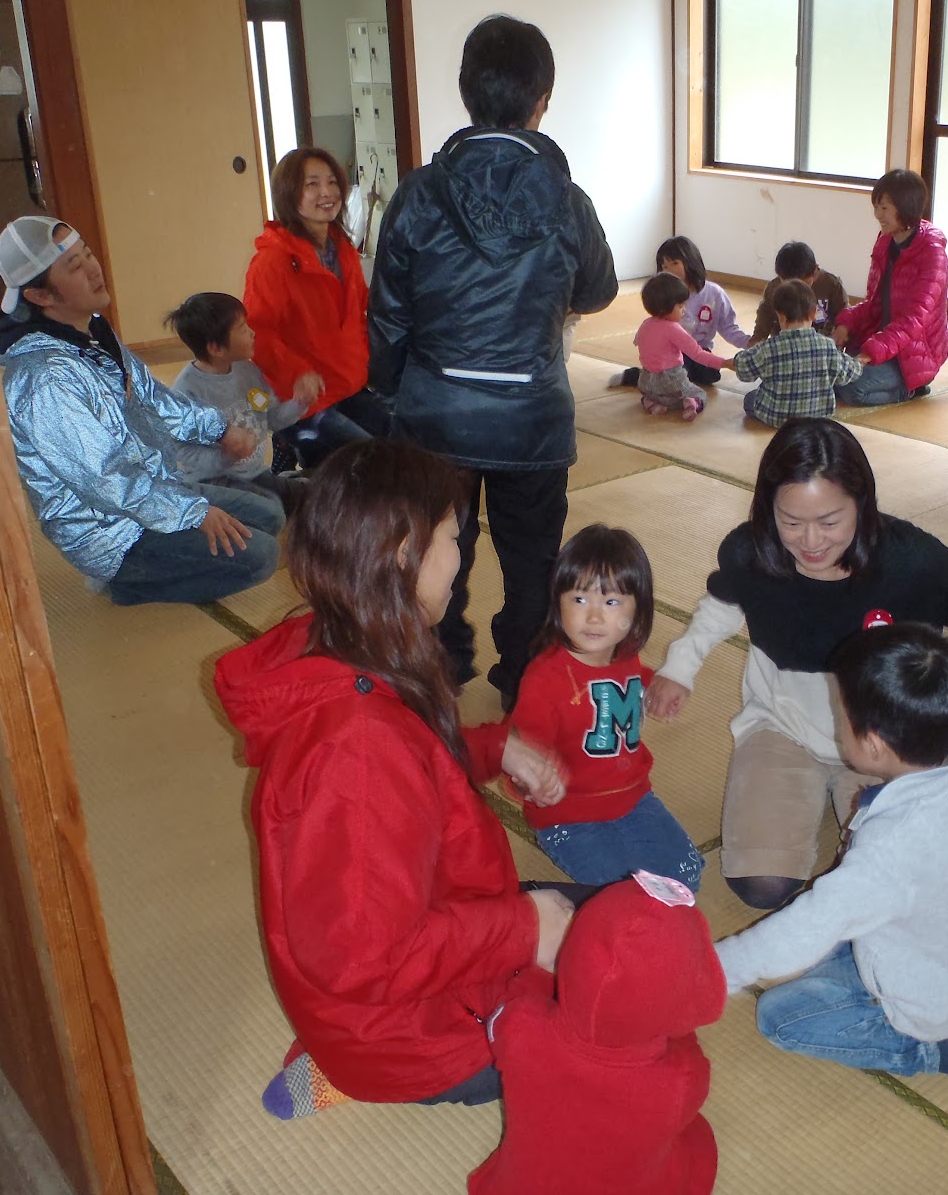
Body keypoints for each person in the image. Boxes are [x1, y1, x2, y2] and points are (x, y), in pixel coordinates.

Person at [213, 439, 576, 1117]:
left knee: (609, 913)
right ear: (406, 553)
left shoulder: (347, 644)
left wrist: (494, 748)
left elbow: (415, 771)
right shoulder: (356, 749)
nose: (461, 555)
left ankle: (344, 1057)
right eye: (453, 537)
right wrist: (525, 928)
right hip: (415, 1031)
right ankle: (352, 1071)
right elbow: (364, 956)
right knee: (626, 977)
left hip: (409, 950)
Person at [646, 419, 948, 910]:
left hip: (885, 744)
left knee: (899, 887)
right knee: (761, 886)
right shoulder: (750, 552)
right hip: (784, 727)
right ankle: (814, 796)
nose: (811, 541)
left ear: (862, 504)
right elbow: (721, 606)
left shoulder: (915, 563)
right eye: (790, 521)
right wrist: (680, 668)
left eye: (830, 521)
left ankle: (847, 802)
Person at [368, 15, 618, 712]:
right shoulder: (567, 199)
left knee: (434, 551)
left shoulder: (419, 192)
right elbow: (599, 290)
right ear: (543, 99)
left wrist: (390, 400)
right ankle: (525, 680)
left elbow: (388, 314)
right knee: (534, 557)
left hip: (435, 414)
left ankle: (438, 669)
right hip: (532, 418)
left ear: (465, 92)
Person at [715, 624, 948, 1092]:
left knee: (779, 1018)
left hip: (912, 997)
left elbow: (804, 928)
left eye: (840, 717)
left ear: (873, 745)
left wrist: (713, 969)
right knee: (833, 946)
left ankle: (931, 1049)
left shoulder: (892, 850)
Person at [0, 216, 281, 606]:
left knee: (270, 517)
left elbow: (155, 400)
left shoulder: (92, 333)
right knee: (261, 557)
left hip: (156, 487)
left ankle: (173, 537)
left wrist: (219, 428)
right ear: (41, 296)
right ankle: (126, 584)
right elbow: (106, 478)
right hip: (111, 531)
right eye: (75, 266)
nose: (93, 268)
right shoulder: (44, 379)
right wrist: (193, 513)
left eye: (87, 253)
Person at [468, 873, 724, 1195]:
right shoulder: (682, 1079)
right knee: (694, 1141)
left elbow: (498, 1021)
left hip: (521, 1186)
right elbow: (684, 1048)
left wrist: (541, 978)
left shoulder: (521, 1024)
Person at [508, 525, 705, 891]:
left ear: (639, 608)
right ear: (557, 601)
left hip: (633, 797)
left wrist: (655, 687)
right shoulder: (545, 680)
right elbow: (520, 748)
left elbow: (631, 681)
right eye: (580, 600)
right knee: (623, 893)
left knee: (686, 876)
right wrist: (528, 781)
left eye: (612, 602)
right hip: (569, 816)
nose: (595, 617)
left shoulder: (625, 656)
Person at [245, 147, 389, 470]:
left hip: (346, 384)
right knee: (367, 464)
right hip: (301, 400)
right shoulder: (272, 261)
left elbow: (360, 312)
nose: (327, 192)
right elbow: (259, 334)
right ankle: (294, 454)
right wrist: (297, 373)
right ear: (288, 194)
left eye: (332, 182)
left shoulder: (343, 248)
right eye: (312, 184)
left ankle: (293, 456)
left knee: (402, 444)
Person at [165, 291, 314, 506]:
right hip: (215, 481)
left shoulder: (248, 370)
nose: (252, 333)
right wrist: (227, 456)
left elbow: (272, 419)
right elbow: (183, 452)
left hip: (252, 473)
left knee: (309, 496)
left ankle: (284, 482)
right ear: (216, 348)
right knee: (272, 509)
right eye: (243, 329)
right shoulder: (187, 393)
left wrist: (300, 402)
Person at [830, 170, 948, 406]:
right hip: (885, 341)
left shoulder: (932, 253)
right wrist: (846, 324)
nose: (877, 215)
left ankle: (910, 389)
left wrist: (872, 351)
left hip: (915, 355)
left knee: (852, 388)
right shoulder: (885, 240)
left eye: (884, 208)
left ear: (905, 207)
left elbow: (913, 321)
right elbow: (873, 303)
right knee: (830, 371)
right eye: (876, 207)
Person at [619, 236, 751, 386]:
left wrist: (749, 342)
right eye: (664, 267)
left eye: (674, 263)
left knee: (710, 375)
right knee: (678, 375)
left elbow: (729, 327)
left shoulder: (714, 293)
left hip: (700, 349)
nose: (669, 270)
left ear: (691, 262)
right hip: (672, 351)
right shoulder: (665, 296)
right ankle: (640, 375)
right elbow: (656, 327)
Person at [734, 279, 863, 427]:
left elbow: (743, 371)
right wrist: (858, 362)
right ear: (814, 313)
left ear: (780, 317)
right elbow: (850, 373)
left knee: (750, 398)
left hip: (777, 418)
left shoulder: (769, 348)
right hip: (818, 418)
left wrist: (739, 357)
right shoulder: (827, 346)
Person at [608, 272, 729, 421]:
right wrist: (723, 363)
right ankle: (691, 404)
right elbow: (697, 353)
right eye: (680, 306)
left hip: (646, 382)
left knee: (650, 396)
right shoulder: (674, 329)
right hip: (671, 381)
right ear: (664, 308)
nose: (684, 310)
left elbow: (639, 343)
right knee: (699, 393)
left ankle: (651, 403)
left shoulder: (645, 324)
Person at [751, 240, 851, 344]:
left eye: (805, 284)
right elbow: (765, 314)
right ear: (779, 276)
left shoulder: (831, 284)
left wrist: (843, 327)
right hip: (784, 343)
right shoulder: (774, 287)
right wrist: (758, 337)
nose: (797, 290)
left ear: (815, 271)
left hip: (822, 343)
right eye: (788, 284)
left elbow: (844, 310)